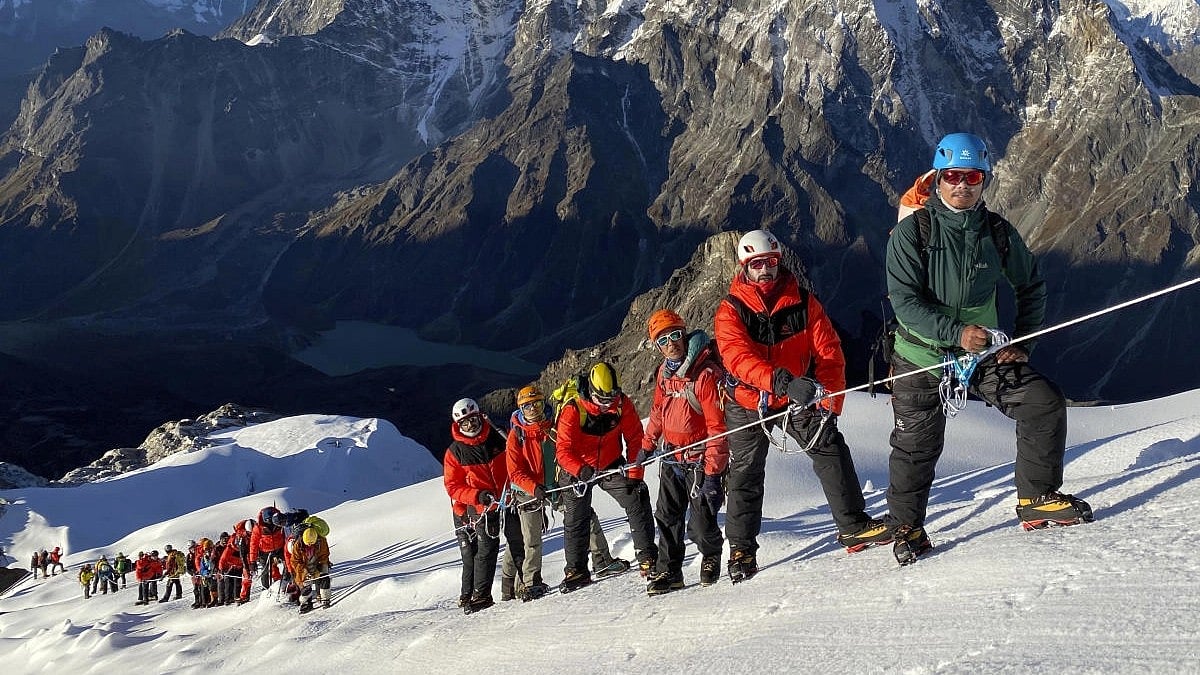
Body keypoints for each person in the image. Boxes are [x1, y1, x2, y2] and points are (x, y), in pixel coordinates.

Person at [883, 132, 1093, 564]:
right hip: (921, 356)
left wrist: (1024, 341)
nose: (962, 185)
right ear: (937, 178)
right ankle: (907, 527)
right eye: (953, 176)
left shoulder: (997, 232)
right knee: (916, 446)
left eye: (973, 177)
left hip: (979, 354)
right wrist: (957, 332)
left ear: (984, 181)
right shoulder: (911, 233)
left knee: (1042, 402)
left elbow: (1031, 284)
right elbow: (904, 303)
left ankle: (1037, 498)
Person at [715, 230, 891, 582]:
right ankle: (741, 550)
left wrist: (831, 402)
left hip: (796, 394)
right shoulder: (731, 310)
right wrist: (782, 382)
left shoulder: (804, 301)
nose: (765, 270)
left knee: (829, 447)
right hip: (751, 399)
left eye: (770, 262)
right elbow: (737, 358)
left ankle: (852, 526)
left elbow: (829, 352)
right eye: (757, 264)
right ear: (744, 267)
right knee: (746, 472)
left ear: (779, 262)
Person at [505, 385, 630, 601]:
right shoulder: (517, 435)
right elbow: (514, 471)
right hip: (529, 490)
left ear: (543, 403)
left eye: (536, 404)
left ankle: (602, 561)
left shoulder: (553, 426)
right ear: (521, 409)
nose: (533, 410)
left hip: (556, 485)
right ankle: (531, 582)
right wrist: (534, 487)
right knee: (531, 538)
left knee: (584, 516)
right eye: (527, 406)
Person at [641, 309, 729, 594]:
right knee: (667, 517)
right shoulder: (664, 374)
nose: (671, 344)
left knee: (701, 521)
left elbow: (718, 428)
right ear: (657, 347)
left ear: (684, 333)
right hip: (672, 457)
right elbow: (658, 411)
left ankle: (711, 554)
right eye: (662, 340)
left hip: (699, 460)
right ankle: (669, 571)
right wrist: (647, 444)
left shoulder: (705, 375)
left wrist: (713, 474)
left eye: (675, 335)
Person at [555, 362, 658, 592]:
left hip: (610, 463)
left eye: (610, 398)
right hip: (578, 469)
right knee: (576, 518)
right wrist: (580, 470)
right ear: (591, 391)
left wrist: (634, 475)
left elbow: (635, 438)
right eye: (602, 399)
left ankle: (647, 556)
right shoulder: (574, 409)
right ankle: (576, 570)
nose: (606, 404)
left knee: (637, 496)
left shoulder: (621, 404)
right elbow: (563, 450)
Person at [443, 397, 521, 614]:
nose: (471, 425)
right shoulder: (455, 452)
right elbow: (453, 486)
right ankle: (481, 595)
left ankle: (528, 583)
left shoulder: (498, 435)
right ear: (458, 425)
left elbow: (515, 459)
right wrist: (477, 496)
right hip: (482, 507)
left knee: (518, 540)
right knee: (486, 550)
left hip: (508, 499)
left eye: (474, 420)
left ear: (480, 416)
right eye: (465, 423)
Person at [288, 524, 331, 614]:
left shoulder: (321, 541)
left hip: (318, 562)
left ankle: (325, 598)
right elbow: (295, 561)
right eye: (307, 543)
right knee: (306, 583)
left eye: (312, 543)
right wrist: (305, 572)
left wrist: (318, 570)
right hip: (304, 565)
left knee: (324, 576)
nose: (309, 545)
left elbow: (324, 556)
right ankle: (306, 603)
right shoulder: (298, 545)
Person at [249, 506, 287, 590]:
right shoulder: (258, 528)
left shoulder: (279, 521)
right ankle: (265, 589)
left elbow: (285, 535)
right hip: (265, 552)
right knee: (265, 570)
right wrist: (252, 561)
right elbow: (253, 544)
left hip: (279, 548)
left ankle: (286, 583)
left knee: (288, 564)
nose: (272, 523)